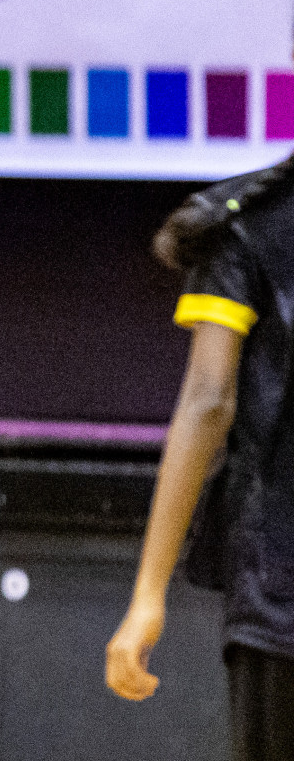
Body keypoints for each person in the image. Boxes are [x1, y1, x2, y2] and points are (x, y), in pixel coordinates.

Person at [107, 151, 294, 760]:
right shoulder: (238, 222)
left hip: (279, 592)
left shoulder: (242, 220)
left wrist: (147, 596)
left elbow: (209, 401)